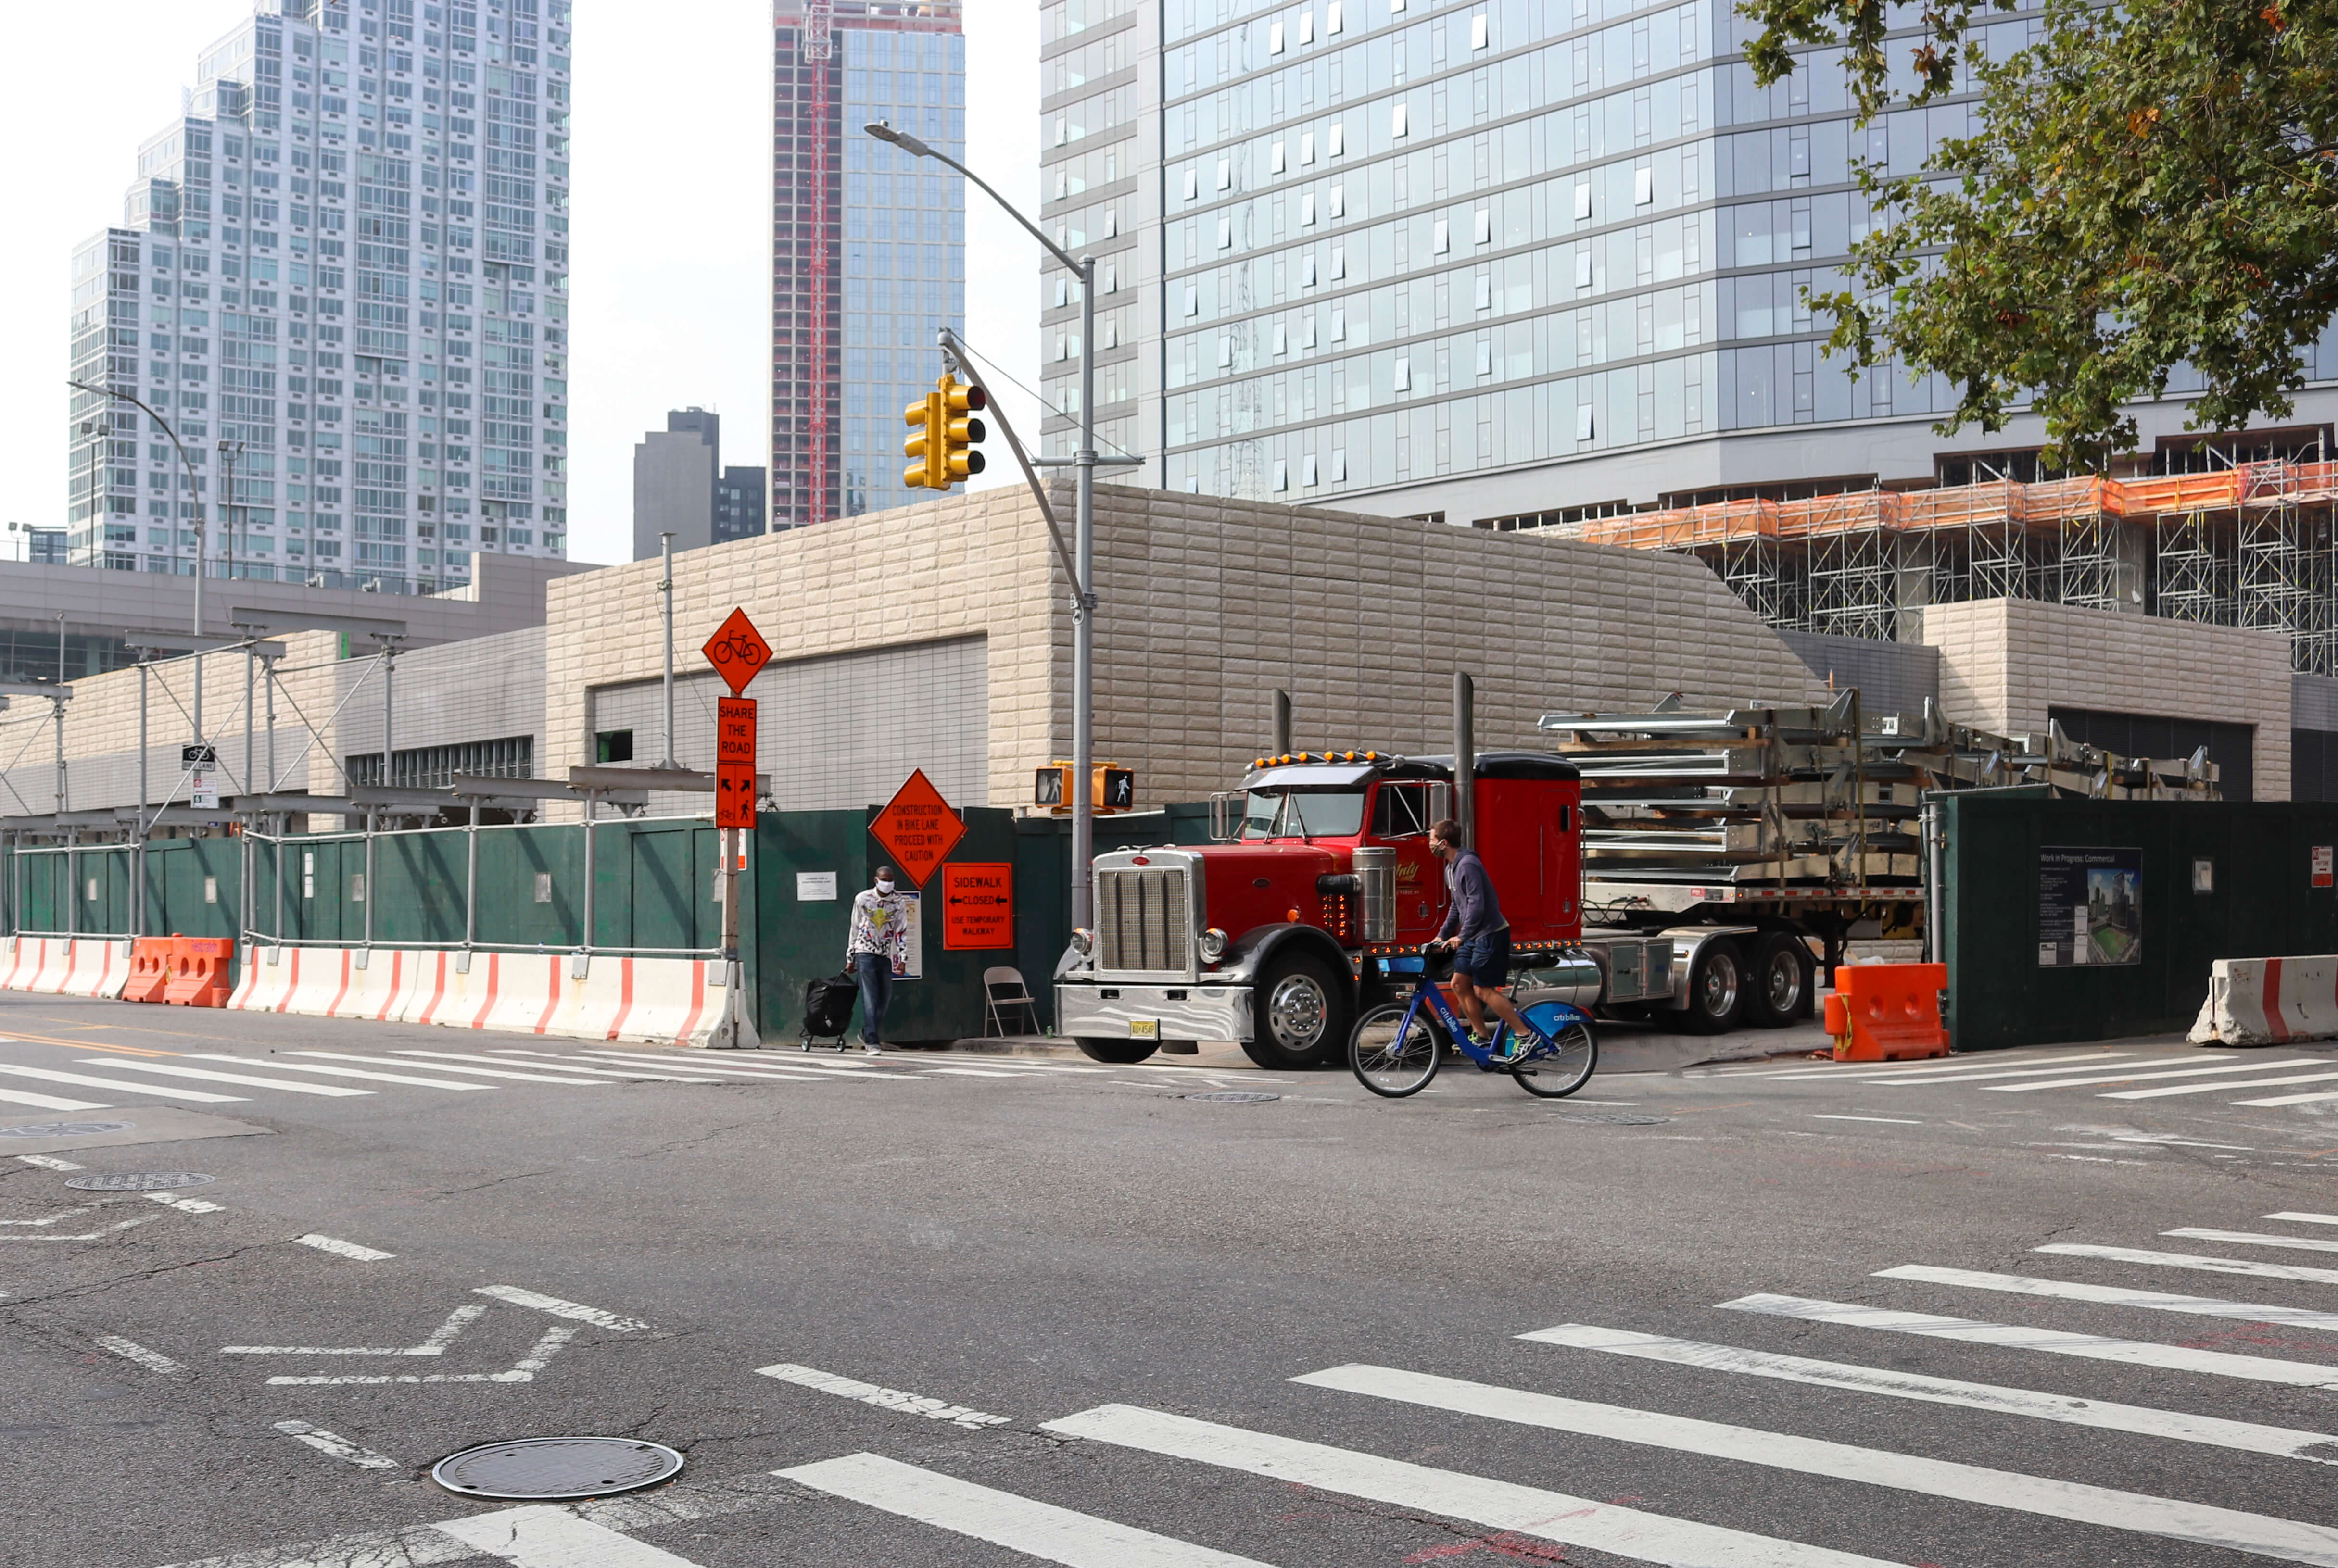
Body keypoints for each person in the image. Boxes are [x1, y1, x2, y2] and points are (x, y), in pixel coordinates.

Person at [1427, 817, 1540, 1059]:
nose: (1430, 844)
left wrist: (1462, 936)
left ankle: (1525, 1035)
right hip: (1473, 937)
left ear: (1444, 843)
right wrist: (1442, 936)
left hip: (1490, 934)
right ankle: (1481, 1036)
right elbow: (1457, 908)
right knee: (1459, 983)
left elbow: (1477, 906)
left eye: (1432, 840)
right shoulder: (1451, 868)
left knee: (1483, 989)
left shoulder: (1468, 865)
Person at [844, 865, 911, 1054]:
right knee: (870, 997)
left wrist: (903, 958)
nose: (888, 883)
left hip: (885, 954)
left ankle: (867, 1032)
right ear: (876, 880)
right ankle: (872, 1041)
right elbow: (855, 927)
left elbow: (901, 931)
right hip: (864, 951)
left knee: (885, 998)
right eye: (884, 879)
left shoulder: (899, 901)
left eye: (891, 880)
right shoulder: (863, 899)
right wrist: (851, 957)